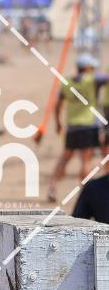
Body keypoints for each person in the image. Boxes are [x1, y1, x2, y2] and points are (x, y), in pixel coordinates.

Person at [48, 54, 109, 202]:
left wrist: (58, 123)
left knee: (65, 158)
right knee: (85, 160)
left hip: (72, 125)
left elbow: (58, 105)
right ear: (87, 68)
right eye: (92, 67)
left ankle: (53, 187)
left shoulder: (67, 82)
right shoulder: (92, 80)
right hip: (88, 125)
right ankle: (86, 191)